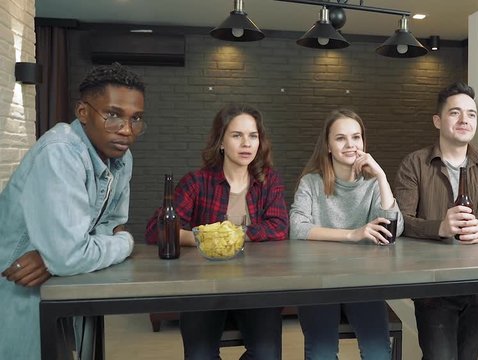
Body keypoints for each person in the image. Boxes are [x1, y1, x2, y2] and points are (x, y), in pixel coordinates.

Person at [0, 62, 145, 359]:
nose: (127, 130)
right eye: (113, 115)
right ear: (83, 112)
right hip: (19, 287)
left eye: (136, 119)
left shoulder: (121, 157)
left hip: (71, 284)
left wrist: (56, 255)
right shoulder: (61, 152)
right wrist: (125, 243)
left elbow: (112, 223)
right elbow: (74, 253)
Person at [145, 103, 288, 360]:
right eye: (237, 135)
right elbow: (157, 230)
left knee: (267, 355)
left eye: (253, 136)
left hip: (257, 285)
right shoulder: (196, 182)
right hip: (205, 286)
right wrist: (204, 239)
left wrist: (233, 235)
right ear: (221, 142)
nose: (246, 143)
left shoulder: (269, 181)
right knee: (200, 356)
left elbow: (279, 226)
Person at [394, 81, 478, 360]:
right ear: (438, 120)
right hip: (432, 289)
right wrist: (438, 226)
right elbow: (400, 221)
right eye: (455, 113)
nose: (465, 120)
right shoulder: (414, 164)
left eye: (471, 114)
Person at [289, 108, 404, 359]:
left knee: (378, 353)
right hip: (318, 283)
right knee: (322, 353)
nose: (350, 144)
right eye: (341, 138)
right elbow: (297, 227)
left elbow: (393, 229)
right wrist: (353, 234)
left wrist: (382, 177)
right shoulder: (311, 182)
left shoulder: (373, 184)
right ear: (328, 145)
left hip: (363, 282)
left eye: (356, 137)